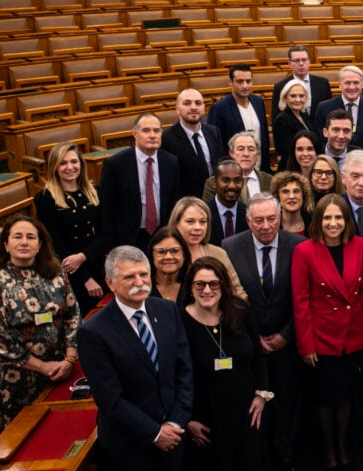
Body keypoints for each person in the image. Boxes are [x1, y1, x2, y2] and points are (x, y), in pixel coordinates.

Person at [77, 246, 199, 471]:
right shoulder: (94, 331)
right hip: (130, 444)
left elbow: (184, 372)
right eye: (129, 277)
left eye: (144, 275)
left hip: (172, 436)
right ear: (111, 282)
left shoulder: (166, 310)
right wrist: (154, 433)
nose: (140, 282)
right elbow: (110, 400)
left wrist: (176, 423)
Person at [181, 257, 270, 471]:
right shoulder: (181, 321)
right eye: (200, 284)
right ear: (190, 288)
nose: (207, 290)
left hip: (246, 410)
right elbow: (176, 374)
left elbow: (258, 355)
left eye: (214, 284)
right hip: (205, 416)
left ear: (223, 285)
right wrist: (187, 419)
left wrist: (261, 394)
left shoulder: (241, 312)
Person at [222, 193, 306, 471]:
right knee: (252, 402)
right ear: (248, 221)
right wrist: (252, 336)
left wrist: (286, 335)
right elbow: (229, 299)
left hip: (288, 341)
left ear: (280, 218)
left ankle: (286, 454)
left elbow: (306, 298)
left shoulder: (300, 246)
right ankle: (256, 457)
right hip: (248, 343)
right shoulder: (230, 247)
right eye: (259, 220)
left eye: (272, 219)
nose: (266, 225)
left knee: (287, 402)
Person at [292, 194, 363, 471]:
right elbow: (300, 300)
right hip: (322, 338)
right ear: (318, 220)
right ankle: (329, 450)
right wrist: (306, 344)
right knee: (326, 399)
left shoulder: (360, 245)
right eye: (327, 217)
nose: (333, 223)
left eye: (338, 217)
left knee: (347, 398)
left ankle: (344, 448)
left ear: (347, 220)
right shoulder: (304, 251)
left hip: (353, 335)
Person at [0, 216, 79, 432]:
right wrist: (44, 367)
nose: (24, 242)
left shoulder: (57, 274)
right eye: (17, 236)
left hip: (62, 370)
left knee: (65, 433)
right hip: (19, 382)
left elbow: (73, 314)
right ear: (6, 244)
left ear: (40, 244)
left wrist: (70, 358)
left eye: (31, 237)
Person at [35, 141, 107, 314]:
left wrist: (83, 256)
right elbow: (53, 241)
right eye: (63, 163)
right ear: (54, 167)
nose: (70, 167)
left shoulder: (95, 190)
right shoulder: (45, 198)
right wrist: (85, 278)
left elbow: (106, 233)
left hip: (95, 258)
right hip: (69, 270)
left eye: (74, 162)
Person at [99, 113, 180, 251]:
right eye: (146, 130)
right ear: (135, 134)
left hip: (162, 235)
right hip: (128, 239)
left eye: (157, 130)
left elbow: (175, 201)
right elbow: (106, 209)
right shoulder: (116, 164)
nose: (152, 135)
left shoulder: (171, 161)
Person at [169, 196, 246, 299]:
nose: (198, 227)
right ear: (176, 224)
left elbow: (237, 292)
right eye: (190, 221)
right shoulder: (167, 255)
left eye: (202, 222)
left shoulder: (218, 253)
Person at [161, 89, 224, 199]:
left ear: (204, 107)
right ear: (177, 109)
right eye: (187, 103)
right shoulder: (166, 138)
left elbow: (221, 165)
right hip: (188, 205)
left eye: (198, 103)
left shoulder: (213, 132)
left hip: (216, 201)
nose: (194, 107)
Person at [207, 64, 271, 173]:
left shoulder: (258, 102)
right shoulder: (219, 108)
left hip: (260, 169)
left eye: (248, 81)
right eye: (240, 82)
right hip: (234, 171)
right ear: (230, 82)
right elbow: (215, 145)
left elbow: (264, 136)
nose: (245, 85)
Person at [317, 65, 363, 151]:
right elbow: (321, 140)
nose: (352, 87)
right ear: (340, 85)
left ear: (362, 84)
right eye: (347, 83)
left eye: (356, 83)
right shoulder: (324, 108)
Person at [202, 132, 271, 205]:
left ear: (257, 155)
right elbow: (208, 212)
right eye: (240, 149)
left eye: (251, 149)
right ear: (231, 154)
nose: (246, 154)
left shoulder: (269, 181)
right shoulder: (214, 182)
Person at [271, 45, 332, 116]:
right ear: (290, 64)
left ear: (309, 62)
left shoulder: (323, 83)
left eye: (304, 60)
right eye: (296, 60)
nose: (301, 64)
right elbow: (276, 116)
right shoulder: (280, 87)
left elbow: (329, 112)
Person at [272, 79, 315, 168]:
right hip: (291, 168)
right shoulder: (282, 119)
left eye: (301, 96)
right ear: (285, 98)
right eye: (293, 96)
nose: (298, 99)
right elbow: (288, 150)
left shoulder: (304, 115)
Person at [206, 159, 248, 247]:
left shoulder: (248, 213)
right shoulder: (204, 213)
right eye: (226, 180)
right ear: (214, 182)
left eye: (237, 180)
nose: (232, 186)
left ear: (243, 183)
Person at [147, 226, 188, 303]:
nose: (168, 257)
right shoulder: (143, 288)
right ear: (152, 255)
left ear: (184, 254)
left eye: (175, 251)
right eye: (161, 252)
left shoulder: (193, 286)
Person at [269, 171, 312, 237]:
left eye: (296, 191)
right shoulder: (270, 225)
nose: (291, 196)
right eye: (285, 192)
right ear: (277, 196)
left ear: (303, 195)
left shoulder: (313, 224)